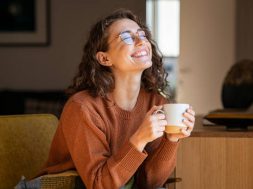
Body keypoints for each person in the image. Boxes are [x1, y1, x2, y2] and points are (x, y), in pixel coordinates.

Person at [38, 9, 195, 189]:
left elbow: (149, 183)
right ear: (104, 58)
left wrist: (171, 139)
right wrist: (138, 140)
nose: (141, 41)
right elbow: (98, 184)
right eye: (127, 37)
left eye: (142, 34)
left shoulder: (157, 103)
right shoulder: (83, 107)